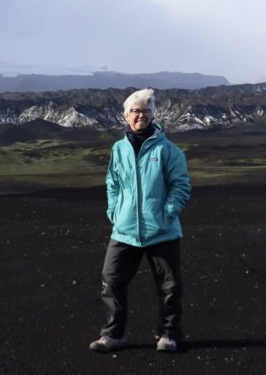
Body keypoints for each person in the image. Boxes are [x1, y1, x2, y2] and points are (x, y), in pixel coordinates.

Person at [89, 88, 191, 353]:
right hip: (125, 230)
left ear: (153, 115)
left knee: (170, 286)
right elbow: (112, 182)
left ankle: (169, 335)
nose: (141, 116)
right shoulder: (118, 149)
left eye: (146, 111)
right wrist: (114, 211)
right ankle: (113, 335)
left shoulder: (168, 150)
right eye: (135, 111)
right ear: (126, 116)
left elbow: (181, 185)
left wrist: (167, 211)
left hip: (162, 230)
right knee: (111, 281)